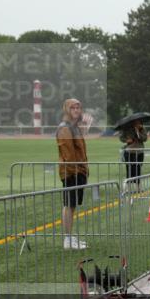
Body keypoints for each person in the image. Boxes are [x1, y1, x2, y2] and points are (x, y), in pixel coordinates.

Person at [56, 98, 89, 250]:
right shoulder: (65, 128)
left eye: (78, 107)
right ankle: (67, 239)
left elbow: (79, 149)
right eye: (73, 108)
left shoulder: (74, 127)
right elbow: (68, 154)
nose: (76, 110)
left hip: (78, 171)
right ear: (67, 110)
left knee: (72, 205)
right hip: (71, 172)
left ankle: (69, 237)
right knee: (69, 204)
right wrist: (75, 170)